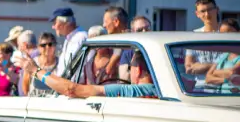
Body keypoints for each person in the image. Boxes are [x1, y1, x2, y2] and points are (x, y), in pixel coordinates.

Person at [24, 50, 158, 99]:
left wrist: (36, 71)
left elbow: (71, 89)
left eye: (131, 68)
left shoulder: (126, 91)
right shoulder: (162, 91)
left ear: (138, 69)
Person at [186, 0, 222, 76]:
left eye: (210, 9)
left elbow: (234, 66)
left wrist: (204, 66)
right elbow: (188, 68)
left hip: (224, 86)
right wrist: (220, 66)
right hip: (200, 86)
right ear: (197, 14)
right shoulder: (194, 36)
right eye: (203, 11)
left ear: (217, 10)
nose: (207, 14)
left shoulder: (228, 32)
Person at [51, 7, 87, 77]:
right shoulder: (71, 38)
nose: (53, 27)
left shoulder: (80, 38)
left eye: (55, 23)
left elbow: (75, 69)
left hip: (73, 86)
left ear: (65, 23)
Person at [26, 31, 58, 96]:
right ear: (38, 47)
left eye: (50, 44)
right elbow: (25, 85)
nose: (47, 47)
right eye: (43, 45)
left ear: (55, 46)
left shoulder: (61, 63)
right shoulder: (33, 63)